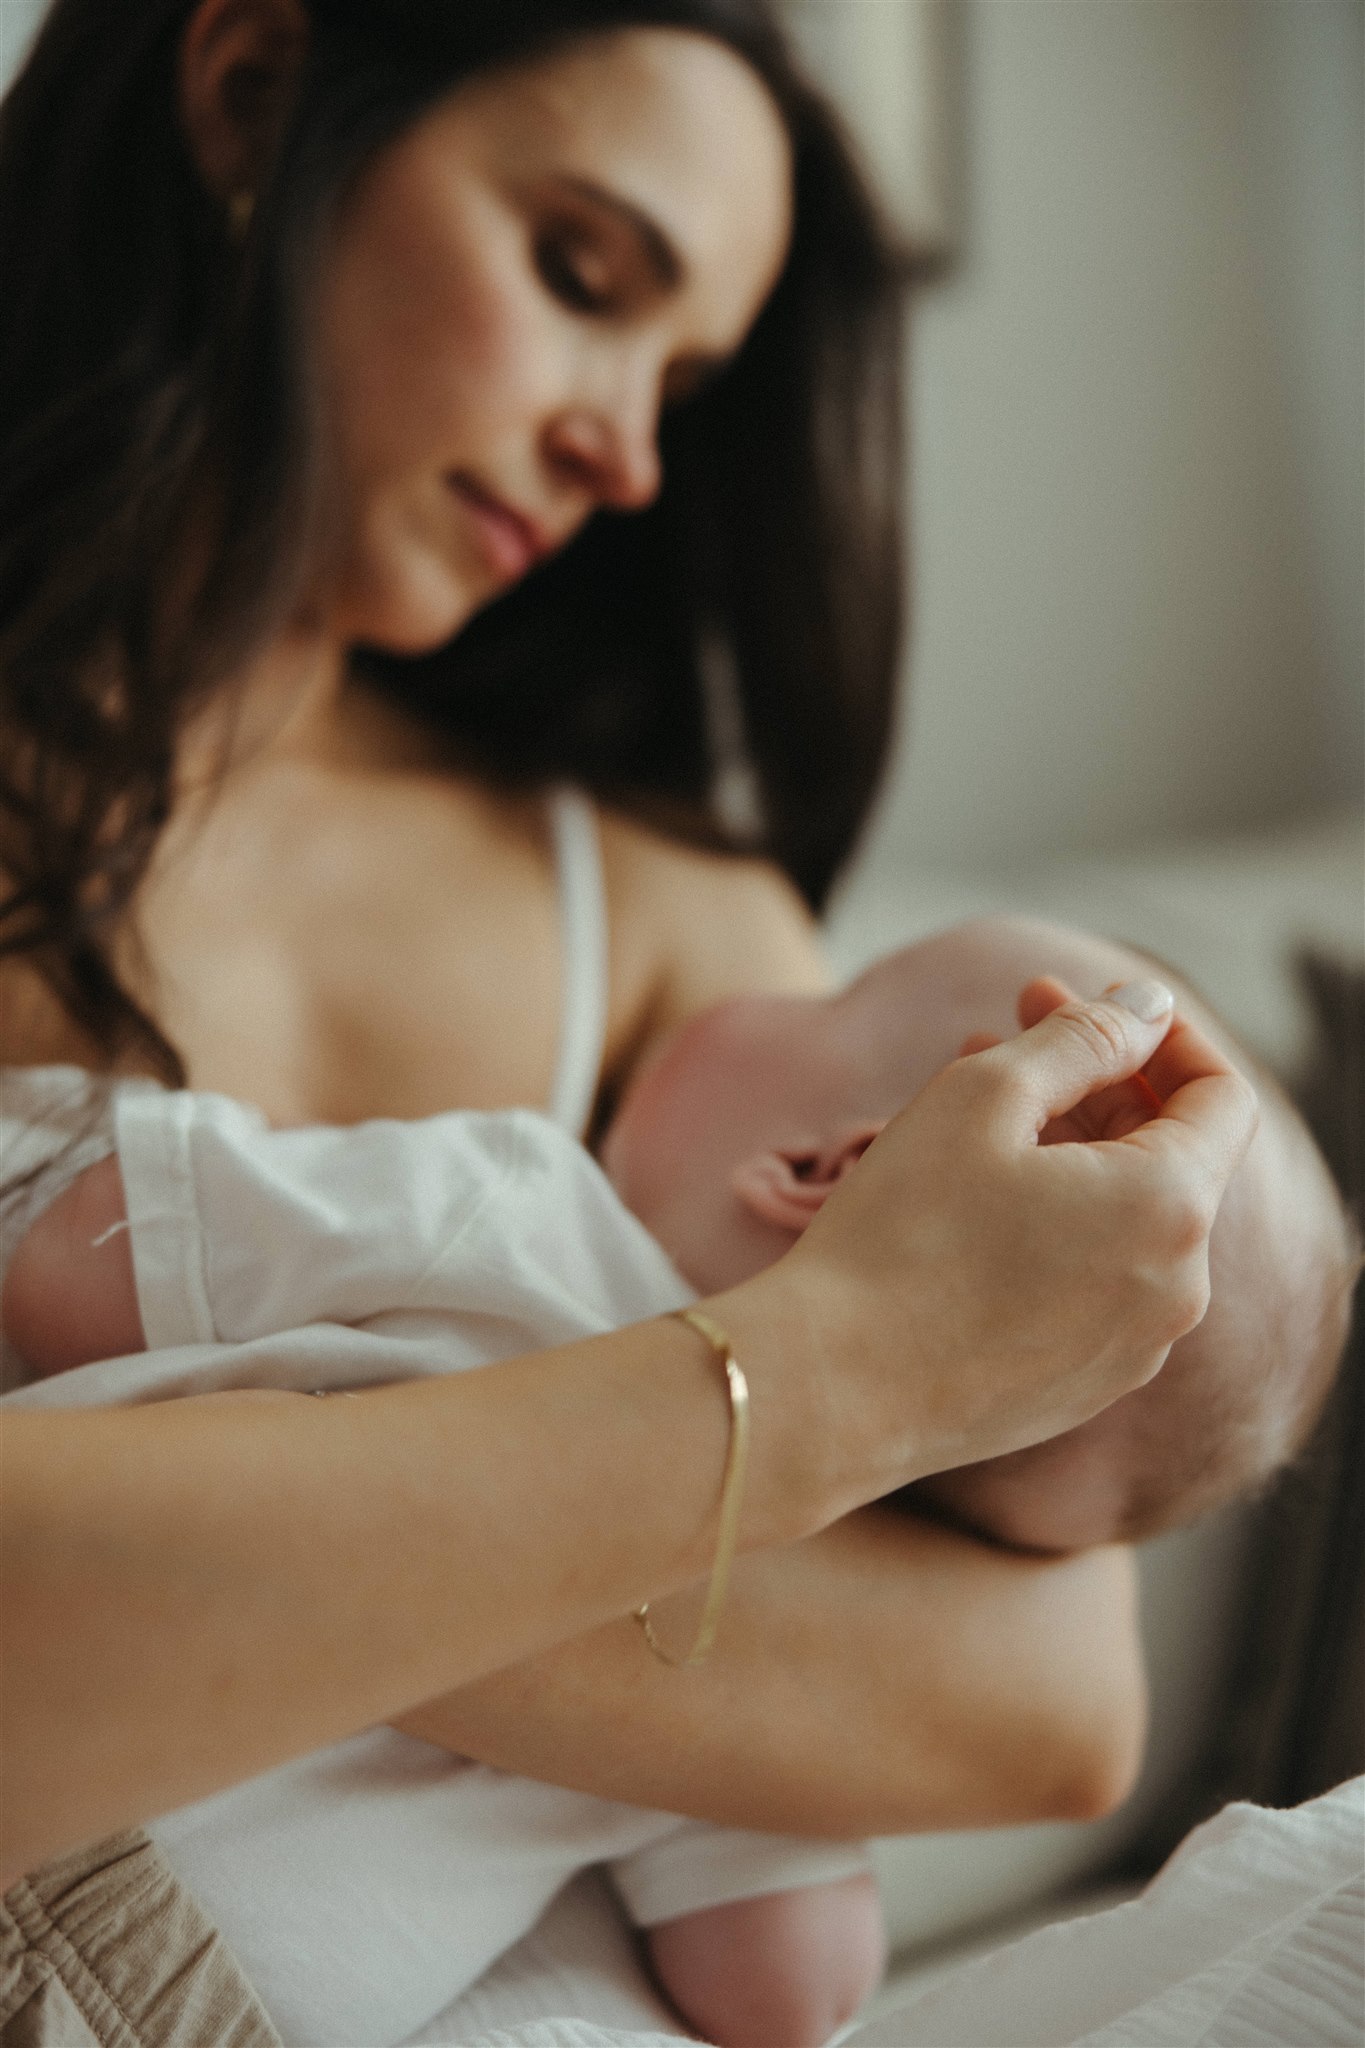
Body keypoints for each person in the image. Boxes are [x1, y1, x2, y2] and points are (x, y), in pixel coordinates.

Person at [0, 2, 1258, 2040]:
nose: (629, 448)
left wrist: (151, 1548)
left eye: (682, 378)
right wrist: (808, 1384)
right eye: (581, 275)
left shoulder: (666, 921)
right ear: (252, 91)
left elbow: (1044, 1701)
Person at [6, 913, 1339, 2048]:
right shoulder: (763, 1630)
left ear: (828, 1168)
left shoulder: (508, 1205)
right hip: (184, 2004)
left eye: (834, 994)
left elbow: (68, 1265)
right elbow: (780, 1989)